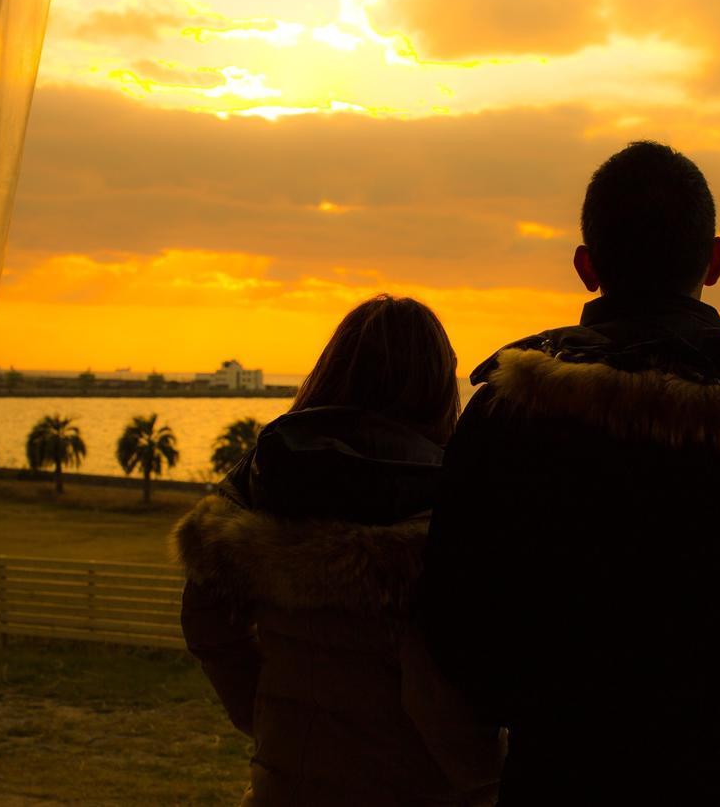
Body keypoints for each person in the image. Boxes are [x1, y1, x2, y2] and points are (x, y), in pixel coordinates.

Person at [418, 142, 720, 805]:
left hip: (560, 773)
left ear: (587, 267)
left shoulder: (510, 407)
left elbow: (453, 613)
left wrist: (542, 708)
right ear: (715, 260)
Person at [173, 295, 504, 807]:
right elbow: (436, 700)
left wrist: (266, 713)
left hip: (287, 785)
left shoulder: (273, 483)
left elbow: (205, 617)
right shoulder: (444, 517)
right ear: (439, 384)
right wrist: (493, 775)